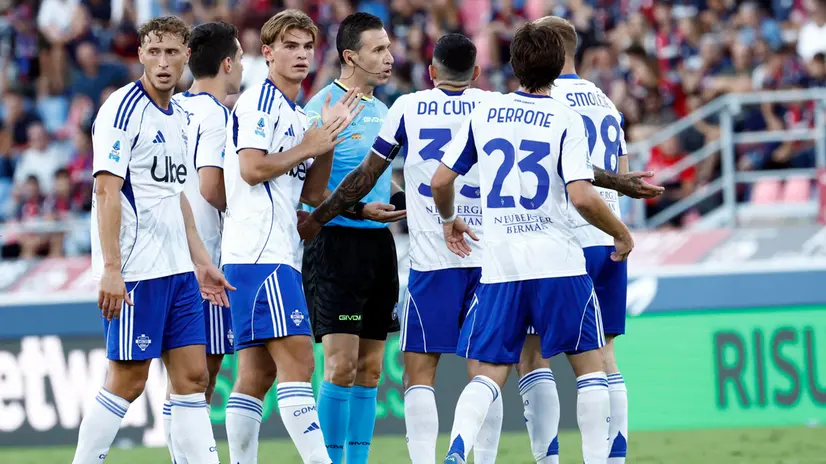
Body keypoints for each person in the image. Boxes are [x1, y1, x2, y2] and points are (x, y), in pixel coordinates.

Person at [432, 23, 635, 464]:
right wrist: (621, 231)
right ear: (559, 63)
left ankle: (457, 448)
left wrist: (449, 221)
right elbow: (582, 195)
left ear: (514, 65)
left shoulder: (485, 112)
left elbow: (440, 180)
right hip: (558, 261)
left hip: (502, 266)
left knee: (490, 373)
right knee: (590, 367)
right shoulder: (567, 117)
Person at [71, 16, 233, 464]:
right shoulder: (122, 110)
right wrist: (110, 268)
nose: (163, 63)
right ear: (141, 54)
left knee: (194, 377)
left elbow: (175, 194)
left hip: (179, 270)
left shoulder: (181, 114)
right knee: (128, 382)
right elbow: (106, 190)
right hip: (137, 270)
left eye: (172, 52)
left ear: (186, 55)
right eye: (154, 52)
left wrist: (200, 259)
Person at [220, 9, 363, 464]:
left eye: (307, 47)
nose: (301, 55)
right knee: (299, 365)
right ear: (267, 53)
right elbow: (251, 168)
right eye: (290, 45)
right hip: (261, 254)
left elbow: (312, 195)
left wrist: (328, 137)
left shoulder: (297, 114)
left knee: (256, 375)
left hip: (270, 253)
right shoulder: (258, 101)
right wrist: (309, 144)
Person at [514, 15, 637, 464]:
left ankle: (548, 458)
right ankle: (613, 456)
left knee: (533, 352)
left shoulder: (544, 98)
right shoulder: (605, 102)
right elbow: (623, 177)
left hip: (561, 238)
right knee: (605, 356)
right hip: (609, 235)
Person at [299, 12, 404, 464]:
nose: (389, 57)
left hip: (379, 247)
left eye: (389, 48)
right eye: (378, 50)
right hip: (335, 245)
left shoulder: (384, 111)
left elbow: (379, 182)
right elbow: (308, 194)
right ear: (350, 56)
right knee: (340, 368)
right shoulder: (320, 109)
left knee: (371, 370)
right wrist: (360, 209)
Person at [167, 20, 244, 464]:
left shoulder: (174, 107)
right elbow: (212, 188)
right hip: (205, 258)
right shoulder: (216, 115)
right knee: (201, 377)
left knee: (183, 378)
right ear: (229, 61)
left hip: (169, 254)